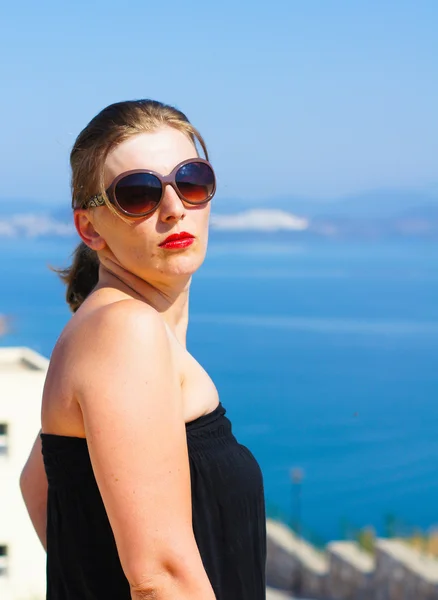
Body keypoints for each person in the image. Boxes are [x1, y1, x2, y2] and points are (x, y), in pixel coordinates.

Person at [20, 99, 267, 600]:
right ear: (90, 228)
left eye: (191, 180)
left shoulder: (118, 328)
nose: (175, 207)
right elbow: (161, 576)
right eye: (138, 194)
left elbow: (37, 483)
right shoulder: (125, 332)